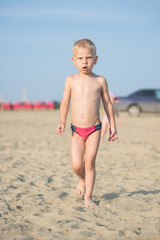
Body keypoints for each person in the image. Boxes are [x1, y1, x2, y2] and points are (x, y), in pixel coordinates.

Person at [56, 39, 118, 207]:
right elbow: (64, 103)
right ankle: (82, 180)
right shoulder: (70, 80)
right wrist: (62, 121)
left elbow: (107, 103)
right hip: (76, 130)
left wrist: (112, 126)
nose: (85, 62)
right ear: (73, 60)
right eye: (81, 58)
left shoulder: (100, 80)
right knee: (77, 165)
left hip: (95, 129)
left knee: (89, 162)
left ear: (95, 59)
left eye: (89, 58)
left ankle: (88, 197)